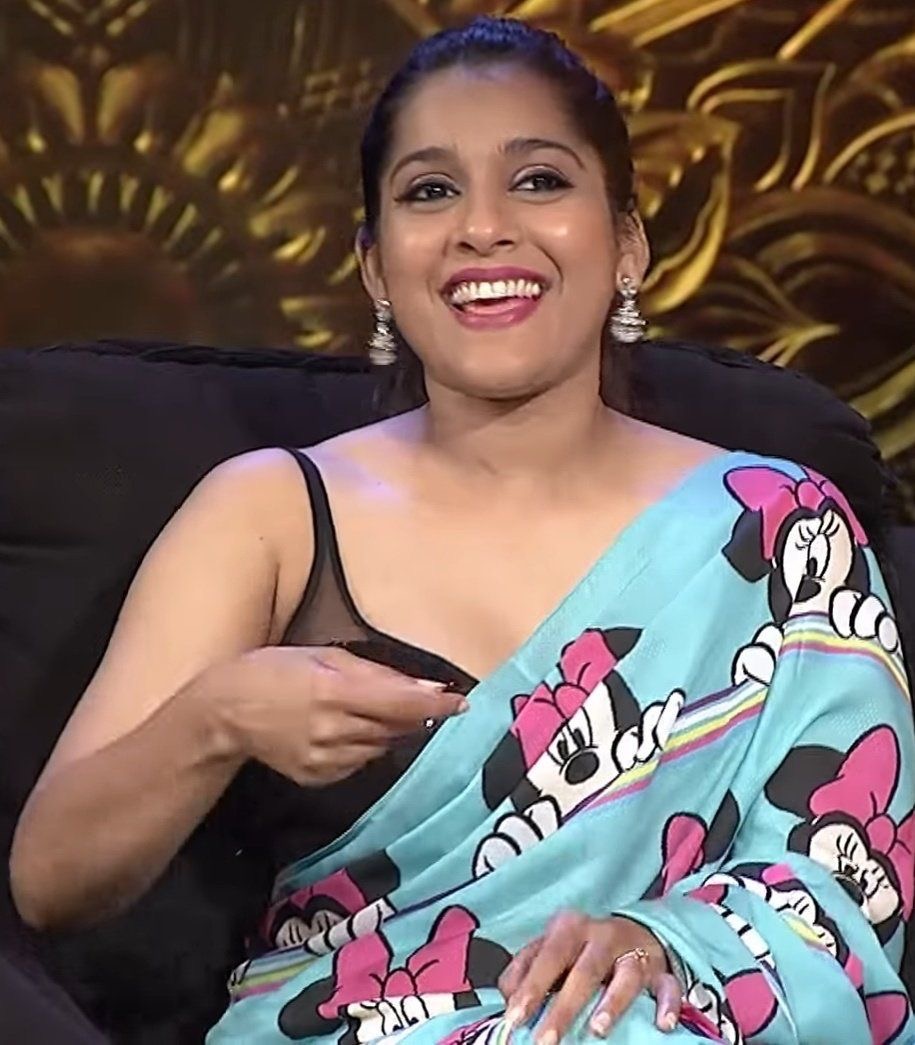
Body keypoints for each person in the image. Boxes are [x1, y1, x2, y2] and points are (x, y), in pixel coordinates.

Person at [10, 15, 915, 1045]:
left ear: (626, 243)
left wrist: (664, 941)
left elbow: (845, 879)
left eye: (538, 180)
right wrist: (218, 718)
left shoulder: (779, 528)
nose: (482, 227)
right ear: (374, 267)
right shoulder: (271, 512)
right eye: (430, 191)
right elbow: (50, 881)